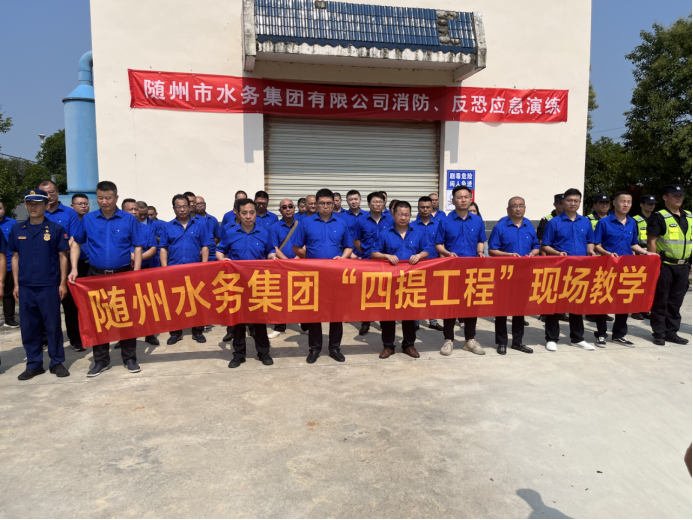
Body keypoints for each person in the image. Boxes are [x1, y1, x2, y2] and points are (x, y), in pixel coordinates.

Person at [71, 180, 145, 377]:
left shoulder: (128, 219)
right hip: (96, 276)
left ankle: (129, 358)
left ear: (116, 198)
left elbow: (138, 246)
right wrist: (74, 269)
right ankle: (101, 361)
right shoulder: (88, 219)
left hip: (123, 275)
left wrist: (137, 272)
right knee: (98, 319)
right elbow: (76, 243)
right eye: (100, 198)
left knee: (126, 317)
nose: (104, 201)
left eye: (108, 198)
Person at [9, 190, 72, 380]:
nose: (33, 207)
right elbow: (15, 257)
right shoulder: (17, 229)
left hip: (49, 285)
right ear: (26, 205)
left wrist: (62, 283)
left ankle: (56, 362)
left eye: (37, 203)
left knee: (52, 325)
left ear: (46, 205)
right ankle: (34, 364)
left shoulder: (55, 229)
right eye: (30, 204)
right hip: (26, 286)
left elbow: (63, 257)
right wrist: (16, 284)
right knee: (29, 328)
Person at [292, 188, 353, 364]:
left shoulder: (341, 223)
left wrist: (343, 258)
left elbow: (349, 246)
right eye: (322, 203)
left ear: (334, 204)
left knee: (336, 312)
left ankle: (335, 348)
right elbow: (296, 248)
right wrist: (311, 260)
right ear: (316, 204)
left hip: (336, 275)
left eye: (328, 203)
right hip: (314, 275)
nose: (325, 206)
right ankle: (314, 348)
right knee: (315, 313)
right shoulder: (306, 223)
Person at [217, 198, 277, 368]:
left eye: (251, 212)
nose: (248, 216)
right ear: (237, 213)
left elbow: (270, 250)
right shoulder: (230, 232)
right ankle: (238, 354)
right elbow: (220, 251)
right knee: (238, 320)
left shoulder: (264, 232)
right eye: (244, 213)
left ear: (256, 213)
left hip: (258, 283)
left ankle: (263, 352)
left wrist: (272, 256)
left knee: (259, 320)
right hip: (237, 284)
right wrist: (222, 259)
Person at [593, 191, 657, 348]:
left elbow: (633, 244)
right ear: (615, 203)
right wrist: (607, 254)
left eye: (629, 202)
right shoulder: (604, 222)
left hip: (626, 268)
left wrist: (647, 253)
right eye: (623, 201)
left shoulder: (632, 222)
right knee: (604, 300)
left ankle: (619, 334)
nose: (626, 204)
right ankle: (601, 334)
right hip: (607, 267)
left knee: (624, 301)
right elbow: (595, 244)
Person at [541, 188, 597, 352]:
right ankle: (551, 338)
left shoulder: (585, 222)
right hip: (559, 268)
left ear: (580, 203)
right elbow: (545, 245)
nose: (573, 203)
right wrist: (557, 253)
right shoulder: (554, 222)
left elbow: (590, 241)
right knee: (555, 303)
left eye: (576, 201)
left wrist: (590, 250)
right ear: (563, 202)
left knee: (577, 303)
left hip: (580, 269)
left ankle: (577, 338)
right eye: (569, 200)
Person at [372, 201, 428, 359]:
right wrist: (386, 256)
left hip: (411, 280)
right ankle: (388, 346)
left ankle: (409, 345)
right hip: (390, 280)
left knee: (409, 314)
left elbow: (427, 250)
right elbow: (374, 253)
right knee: (388, 314)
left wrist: (419, 256)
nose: (403, 217)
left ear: (411, 215)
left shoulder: (418, 233)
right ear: (393, 215)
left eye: (407, 214)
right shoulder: (384, 233)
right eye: (400, 214)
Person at [435, 185, 487, 356]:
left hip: (472, 269)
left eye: (466, 197)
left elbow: (481, 240)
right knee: (450, 305)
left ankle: (470, 340)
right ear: (453, 200)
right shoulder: (445, 221)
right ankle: (448, 339)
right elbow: (438, 244)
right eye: (459, 197)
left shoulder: (477, 220)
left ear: (470, 199)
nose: (463, 200)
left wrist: (480, 252)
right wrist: (447, 253)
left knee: (471, 304)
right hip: (452, 270)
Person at [488, 197, 540, 355]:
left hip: (524, 274)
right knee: (502, 309)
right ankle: (501, 341)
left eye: (521, 205)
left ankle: (518, 341)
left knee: (519, 309)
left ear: (525, 208)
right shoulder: (500, 227)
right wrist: (509, 255)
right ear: (508, 209)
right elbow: (492, 250)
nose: (518, 208)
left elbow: (536, 246)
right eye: (515, 206)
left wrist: (532, 254)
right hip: (505, 274)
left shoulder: (529, 226)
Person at [160, 194, 213, 345]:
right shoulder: (168, 226)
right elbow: (163, 248)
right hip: (174, 271)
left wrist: (204, 267)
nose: (182, 209)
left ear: (189, 207)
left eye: (184, 206)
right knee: (175, 302)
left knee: (196, 300)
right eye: (179, 207)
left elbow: (205, 246)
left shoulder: (200, 225)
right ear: (174, 208)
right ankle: (176, 332)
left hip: (195, 270)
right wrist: (164, 269)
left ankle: (198, 331)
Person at [38, 180, 84, 351]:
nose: (48, 196)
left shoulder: (69, 213)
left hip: (66, 262)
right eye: (44, 193)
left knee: (71, 304)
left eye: (51, 192)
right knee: (46, 305)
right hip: (45, 266)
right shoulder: (37, 212)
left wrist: (62, 253)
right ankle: (45, 339)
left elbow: (74, 238)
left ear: (57, 193)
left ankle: (76, 339)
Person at [647, 184, 691, 346]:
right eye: (675, 195)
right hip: (664, 265)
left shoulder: (689, 217)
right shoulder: (659, 217)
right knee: (661, 300)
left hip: (683, 266)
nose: (679, 198)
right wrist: (654, 265)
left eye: (680, 196)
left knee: (676, 301)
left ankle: (671, 332)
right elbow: (651, 242)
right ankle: (659, 333)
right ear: (665, 197)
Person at [353, 192, 394, 336]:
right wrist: (366, 253)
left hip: (385, 262)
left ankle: (384, 321)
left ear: (384, 203)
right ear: (369, 203)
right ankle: (366, 322)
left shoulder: (390, 220)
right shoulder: (361, 221)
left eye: (380, 202)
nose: (377, 204)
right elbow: (356, 241)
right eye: (374, 202)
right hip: (368, 262)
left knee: (385, 292)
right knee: (367, 293)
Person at [267, 198, 299, 339]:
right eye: (284, 207)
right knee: (280, 297)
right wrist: (287, 262)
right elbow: (274, 247)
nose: (288, 209)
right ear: (280, 210)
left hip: (300, 265)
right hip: (282, 266)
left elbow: (306, 244)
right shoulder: (275, 227)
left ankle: (305, 325)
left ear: (294, 208)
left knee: (302, 295)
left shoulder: (301, 225)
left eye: (290, 206)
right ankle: (279, 327)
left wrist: (296, 260)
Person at [536, 193, 569, 323]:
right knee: (549, 287)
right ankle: (546, 312)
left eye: (564, 202)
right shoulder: (547, 220)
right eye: (560, 203)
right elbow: (541, 241)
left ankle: (561, 311)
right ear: (555, 204)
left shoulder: (571, 219)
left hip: (566, 260)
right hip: (551, 259)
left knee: (563, 287)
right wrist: (545, 260)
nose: (563, 205)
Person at [414, 196, 443, 331]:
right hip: (417, 265)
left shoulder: (439, 225)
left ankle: (433, 321)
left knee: (433, 294)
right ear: (418, 208)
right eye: (422, 207)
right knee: (416, 293)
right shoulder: (411, 226)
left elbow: (442, 244)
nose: (425, 209)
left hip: (434, 264)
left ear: (432, 208)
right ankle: (415, 321)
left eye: (427, 207)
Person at [631, 194, 657, 320]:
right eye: (649, 204)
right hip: (639, 255)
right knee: (637, 283)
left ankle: (646, 309)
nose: (651, 206)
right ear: (642, 205)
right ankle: (635, 310)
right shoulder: (635, 220)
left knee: (650, 284)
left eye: (653, 204)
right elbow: (632, 240)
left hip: (652, 256)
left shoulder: (656, 219)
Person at [0, 200, 18, 328]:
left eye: (0, 208)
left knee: (8, 293)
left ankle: (9, 319)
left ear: (4, 209)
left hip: (9, 263)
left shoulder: (13, 223)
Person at [195, 195, 221, 262]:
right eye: (197, 204)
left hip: (213, 255)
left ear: (205, 204)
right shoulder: (192, 220)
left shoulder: (213, 219)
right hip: (198, 256)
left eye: (201, 203)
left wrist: (210, 244)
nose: (200, 205)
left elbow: (218, 237)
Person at [344, 190, 367, 256]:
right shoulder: (342, 217)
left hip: (366, 255)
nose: (353, 202)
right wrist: (349, 253)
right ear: (347, 201)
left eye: (356, 199)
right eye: (350, 200)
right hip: (348, 256)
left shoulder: (368, 216)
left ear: (360, 200)